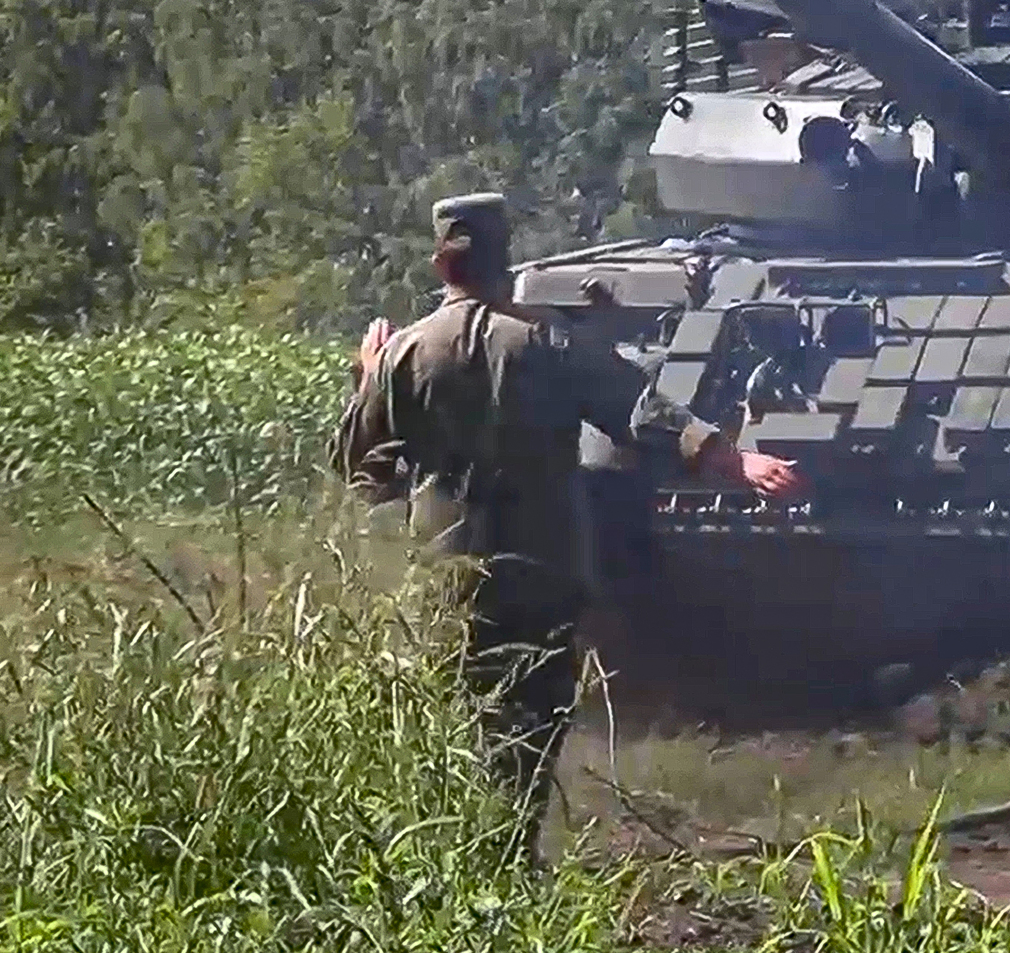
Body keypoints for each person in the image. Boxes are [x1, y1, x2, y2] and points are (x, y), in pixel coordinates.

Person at [332, 192, 805, 856]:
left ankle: (454, 853)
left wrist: (367, 379)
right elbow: (641, 413)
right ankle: (511, 849)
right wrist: (737, 461)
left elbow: (359, 470)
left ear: (443, 266)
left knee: (456, 712)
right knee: (533, 717)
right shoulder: (549, 344)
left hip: (446, 571)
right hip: (543, 566)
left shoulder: (405, 355)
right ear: (505, 260)